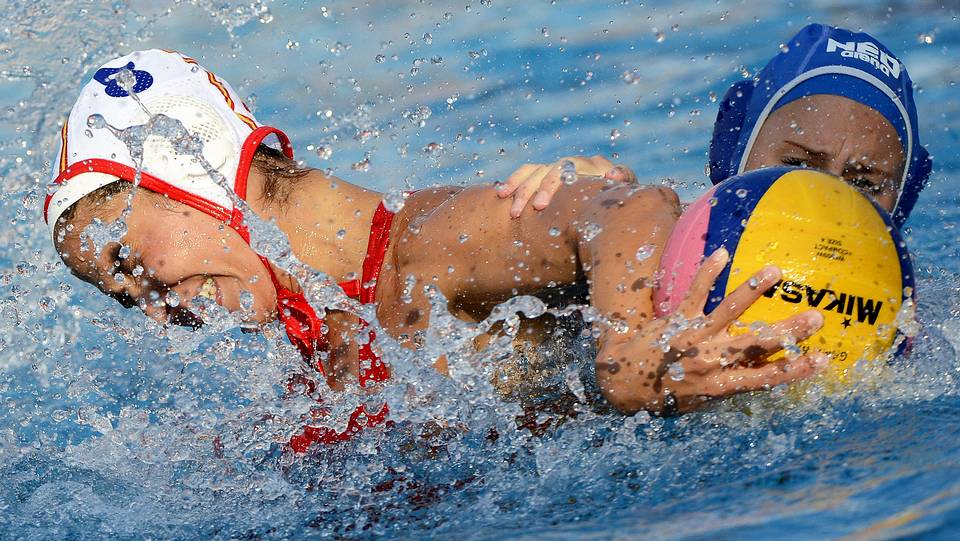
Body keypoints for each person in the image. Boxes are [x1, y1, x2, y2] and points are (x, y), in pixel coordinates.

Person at [45, 48, 827, 448]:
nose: (151, 306)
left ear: (193, 170)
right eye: (120, 296)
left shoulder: (422, 250)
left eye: (126, 261)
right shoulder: (324, 338)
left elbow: (628, 208)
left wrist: (629, 361)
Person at [500, 24, 931, 230]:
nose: (827, 202)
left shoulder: (924, 335)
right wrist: (589, 209)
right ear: (733, 156)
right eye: (798, 164)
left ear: (902, 203)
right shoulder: (650, 249)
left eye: (864, 184)